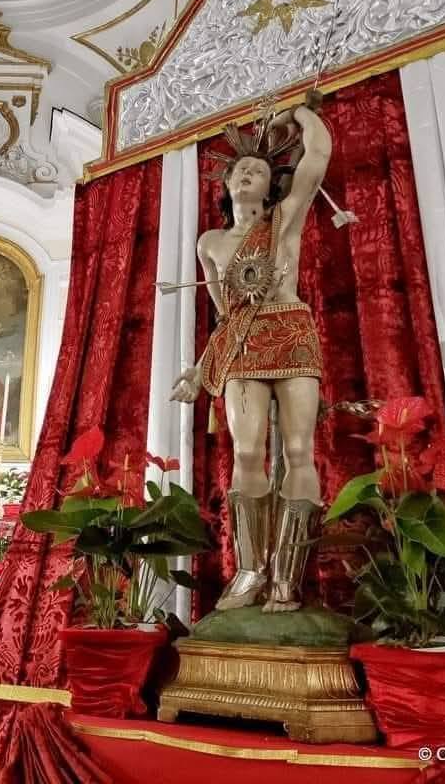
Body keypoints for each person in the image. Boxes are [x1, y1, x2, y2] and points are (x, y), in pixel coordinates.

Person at [170, 91, 331, 613]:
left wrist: (298, 115)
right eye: (238, 169)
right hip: (242, 342)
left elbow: (319, 156)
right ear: (225, 182)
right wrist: (198, 370)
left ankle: (287, 577)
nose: (245, 174)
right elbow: (225, 315)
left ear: (270, 183)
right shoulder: (211, 242)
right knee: (245, 453)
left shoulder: (285, 219)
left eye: (256, 171)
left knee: (299, 450)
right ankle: (250, 570)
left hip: (290, 329)